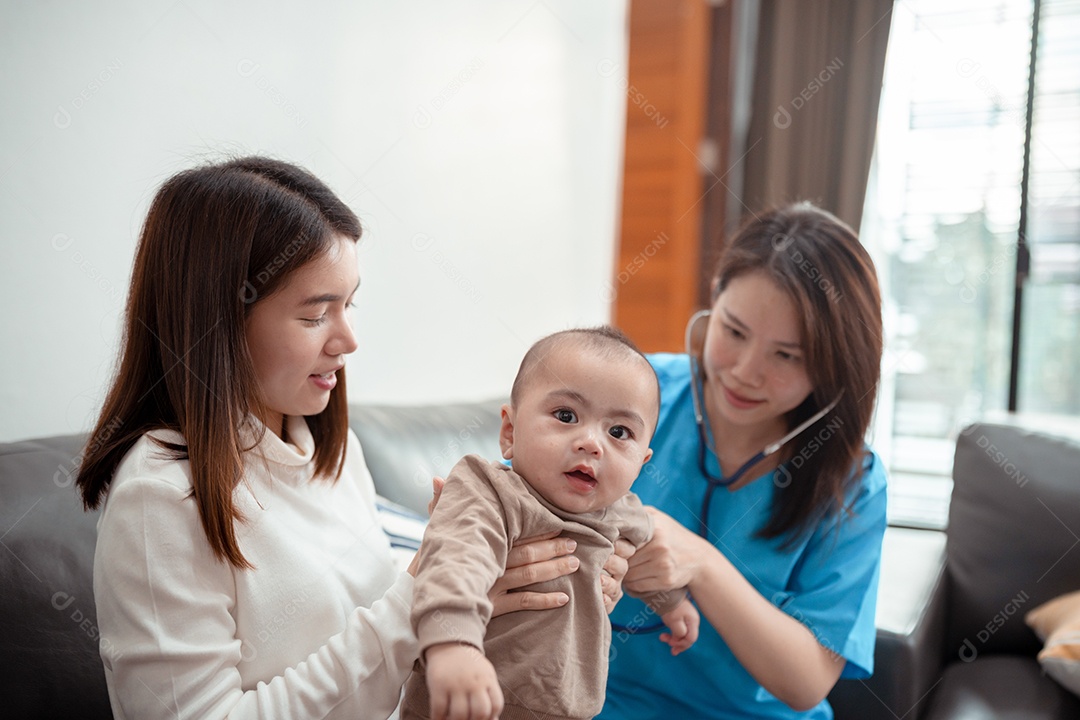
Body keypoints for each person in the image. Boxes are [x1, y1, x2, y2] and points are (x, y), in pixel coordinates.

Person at [74, 156, 608, 720]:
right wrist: (417, 597)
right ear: (219, 323)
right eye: (314, 316)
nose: (348, 340)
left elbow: (380, 663)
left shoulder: (331, 450)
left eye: (348, 304)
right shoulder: (160, 498)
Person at [599, 202, 888, 720]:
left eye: (787, 356)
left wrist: (704, 564)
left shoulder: (853, 482)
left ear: (833, 366)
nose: (746, 372)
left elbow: (807, 684)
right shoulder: (631, 394)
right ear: (714, 299)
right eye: (733, 331)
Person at [402, 327, 701, 720]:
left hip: (571, 709)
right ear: (509, 431)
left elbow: (643, 557)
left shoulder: (623, 512)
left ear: (642, 463)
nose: (592, 443)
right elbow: (456, 561)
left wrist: (671, 601)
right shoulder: (490, 491)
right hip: (469, 700)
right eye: (566, 416)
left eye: (618, 432)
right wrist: (454, 645)